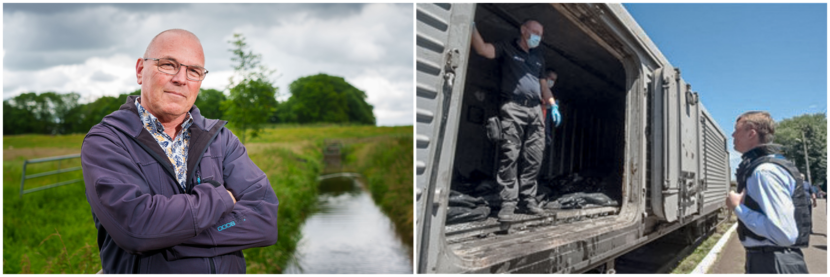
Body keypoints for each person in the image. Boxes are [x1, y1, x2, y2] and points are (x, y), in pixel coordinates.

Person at [82, 29, 279, 276]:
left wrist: (166, 240)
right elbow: (136, 228)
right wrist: (221, 198)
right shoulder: (107, 141)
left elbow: (264, 220)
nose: (181, 79)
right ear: (140, 70)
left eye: (194, 71)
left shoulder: (221, 139)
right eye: (168, 65)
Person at [471, 19, 560, 220]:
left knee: (535, 156)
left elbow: (544, 86)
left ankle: (528, 200)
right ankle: (508, 202)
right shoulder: (507, 47)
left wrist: (552, 105)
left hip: (535, 109)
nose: (538, 36)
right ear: (523, 30)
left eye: (541, 34)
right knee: (510, 154)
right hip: (513, 107)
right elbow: (483, 50)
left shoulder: (538, 56)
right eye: (535, 31)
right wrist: (471, 26)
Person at [727, 111, 811, 276]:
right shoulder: (767, 167)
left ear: (751, 133)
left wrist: (737, 207)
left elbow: (783, 233)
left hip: (772, 263)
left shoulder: (764, 172)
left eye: (737, 130)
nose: (732, 135)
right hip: (771, 260)